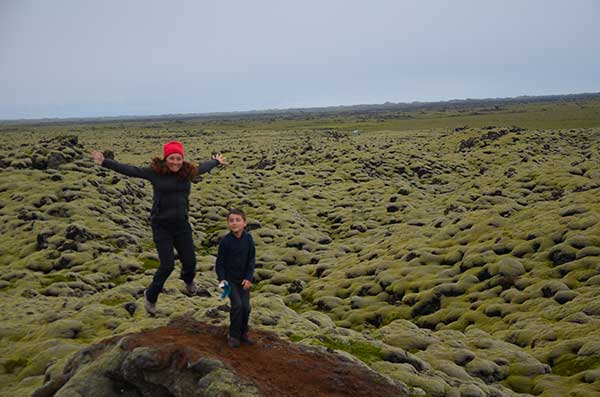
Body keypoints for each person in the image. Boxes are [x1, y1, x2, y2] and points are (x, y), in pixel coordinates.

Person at [91, 141, 225, 316]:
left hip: (182, 225)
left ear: (182, 160)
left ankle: (188, 281)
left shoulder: (187, 173)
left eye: (178, 158)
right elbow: (131, 170)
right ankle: (151, 296)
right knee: (167, 265)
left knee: (190, 262)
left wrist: (216, 161)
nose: (175, 162)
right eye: (171, 158)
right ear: (165, 158)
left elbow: (203, 167)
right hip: (161, 226)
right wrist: (105, 162)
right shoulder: (155, 173)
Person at [215, 208, 256, 348]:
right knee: (237, 305)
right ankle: (233, 335)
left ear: (244, 223)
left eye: (238, 220)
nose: (234, 223)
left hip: (244, 280)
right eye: (231, 220)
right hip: (228, 281)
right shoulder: (225, 242)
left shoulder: (249, 239)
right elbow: (219, 263)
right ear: (228, 224)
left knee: (246, 307)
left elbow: (251, 260)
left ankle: (243, 333)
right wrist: (222, 280)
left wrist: (248, 278)